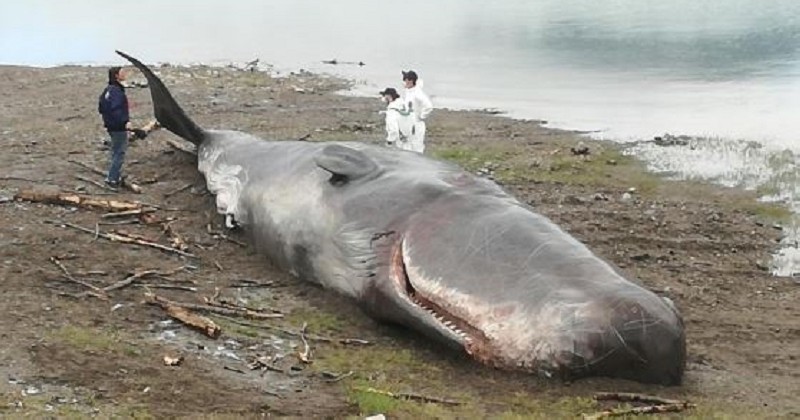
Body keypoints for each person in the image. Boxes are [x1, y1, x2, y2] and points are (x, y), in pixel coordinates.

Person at [97, 66, 132, 189]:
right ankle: (111, 179)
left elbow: (101, 108)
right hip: (118, 127)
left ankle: (115, 175)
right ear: (116, 76)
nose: (125, 74)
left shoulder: (108, 90)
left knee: (115, 150)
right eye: (123, 72)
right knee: (119, 152)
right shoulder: (116, 91)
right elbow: (116, 109)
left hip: (110, 125)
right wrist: (124, 122)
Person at [401, 70, 433, 153]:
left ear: (411, 81)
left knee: (416, 148)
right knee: (406, 147)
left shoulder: (417, 93)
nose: (404, 82)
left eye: (406, 80)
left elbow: (428, 106)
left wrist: (421, 116)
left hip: (416, 125)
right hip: (408, 123)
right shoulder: (409, 92)